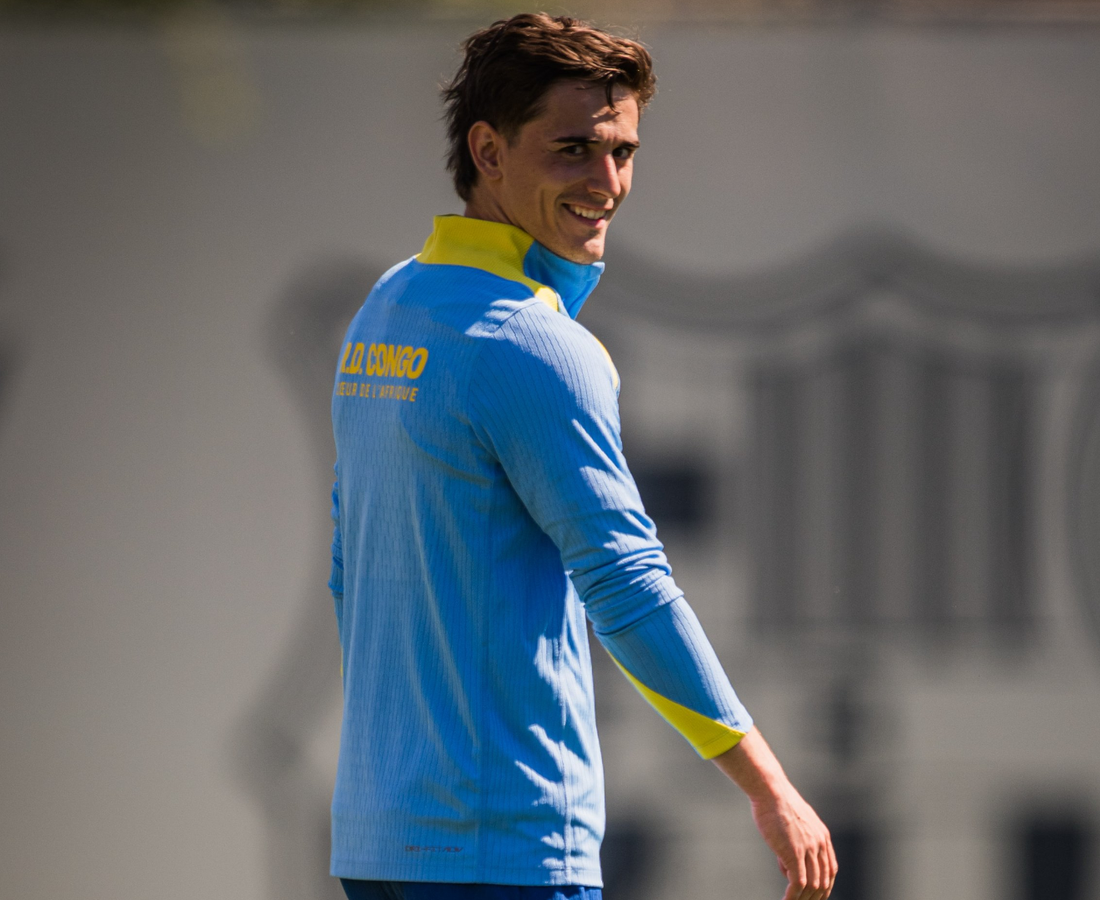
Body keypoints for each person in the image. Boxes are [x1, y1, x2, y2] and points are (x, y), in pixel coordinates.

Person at [327, 13, 837, 900]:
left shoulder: (389, 308)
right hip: (506, 851)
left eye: (624, 152)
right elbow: (628, 585)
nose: (607, 182)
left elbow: (351, 566)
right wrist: (770, 789)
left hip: (382, 844)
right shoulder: (533, 346)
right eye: (572, 149)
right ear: (488, 151)